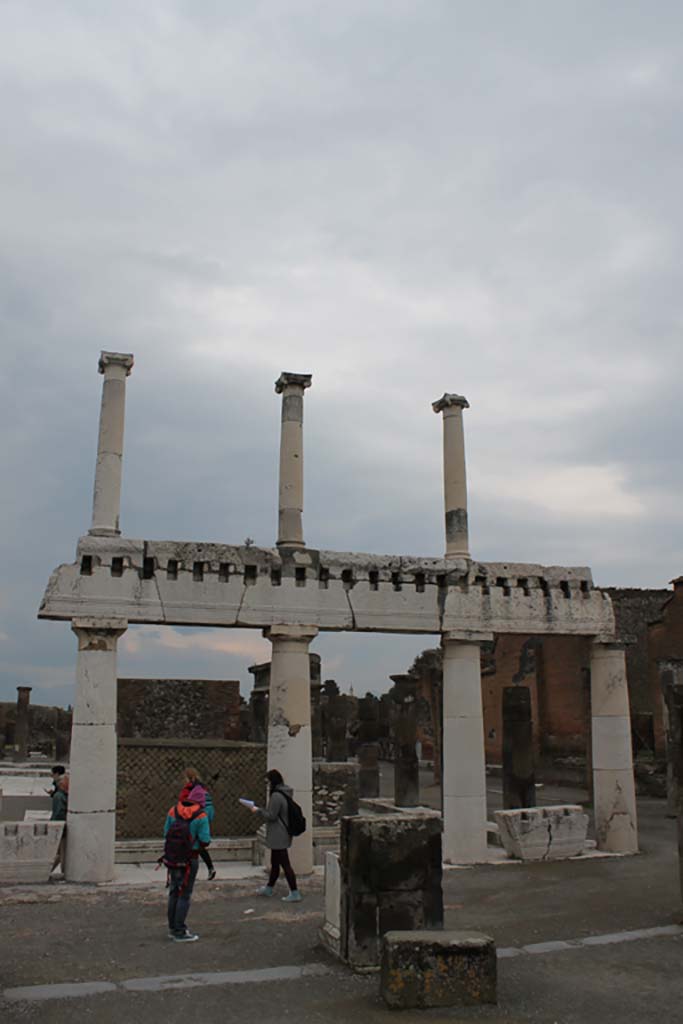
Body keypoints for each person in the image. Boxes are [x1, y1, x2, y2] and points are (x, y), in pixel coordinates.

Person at [163, 789, 211, 942]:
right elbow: (205, 840)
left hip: (172, 858)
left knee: (174, 892)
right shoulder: (201, 816)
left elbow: (166, 833)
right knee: (185, 894)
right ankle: (180, 930)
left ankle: (172, 927)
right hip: (190, 859)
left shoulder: (173, 810)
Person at [251, 769, 302, 902]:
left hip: (278, 834)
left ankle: (295, 892)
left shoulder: (276, 796)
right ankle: (269, 888)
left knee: (285, 864)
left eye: (268, 782)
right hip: (282, 833)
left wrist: (257, 810)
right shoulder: (285, 794)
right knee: (275, 863)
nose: (267, 786)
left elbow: (271, 816)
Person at [178, 767, 216, 880]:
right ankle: (210, 868)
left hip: (197, 815)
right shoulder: (201, 787)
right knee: (198, 843)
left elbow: (185, 802)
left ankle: (186, 872)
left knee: (192, 843)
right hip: (206, 814)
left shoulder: (191, 788)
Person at [50, 774, 69, 875]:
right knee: (60, 853)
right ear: (62, 784)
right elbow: (59, 813)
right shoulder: (59, 796)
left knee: (60, 853)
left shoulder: (62, 795)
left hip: (61, 828)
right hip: (60, 828)